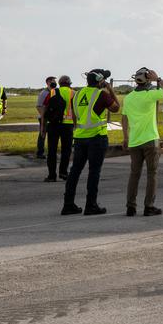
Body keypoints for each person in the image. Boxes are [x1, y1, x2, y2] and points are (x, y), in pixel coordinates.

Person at [62, 68, 119, 216]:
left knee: (75, 171)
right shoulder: (101, 94)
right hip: (96, 138)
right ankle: (91, 205)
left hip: (80, 137)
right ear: (100, 81)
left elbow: (75, 117)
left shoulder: (77, 94)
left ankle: (68, 204)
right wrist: (110, 89)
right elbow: (116, 108)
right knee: (94, 172)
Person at [121, 67, 163, 217]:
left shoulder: (129, 98)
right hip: (150, 140)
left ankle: (130, 207)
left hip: (134, 141)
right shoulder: (150, 94)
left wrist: (125, 137)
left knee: (134, 174)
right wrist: (157, 79)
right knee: (152, 174)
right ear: (147, 79)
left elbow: (124, 118)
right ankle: (149, 206)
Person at [44, 76, 75, 182]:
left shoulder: (53, 92)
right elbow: (76, 110)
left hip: (53, 124)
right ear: (69, 83)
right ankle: (63, 172)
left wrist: (43, 126)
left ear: (60, 83)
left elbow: (46, 108)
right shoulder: (73, 93)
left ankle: (52, 175)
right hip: (68, 125)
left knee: (52, 151)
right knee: (66, 150)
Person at [35, 76, 56, 159]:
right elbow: (38, 106)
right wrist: (44, 117)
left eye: (54, 81)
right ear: (47, 83)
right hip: (44, 118)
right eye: (52, 81)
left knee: (51, 136)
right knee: (42, 135)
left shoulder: (53, 91)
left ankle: (48, 152)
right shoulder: (44, 93)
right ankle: (40, 153)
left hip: (51, 118)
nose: (54, 82)